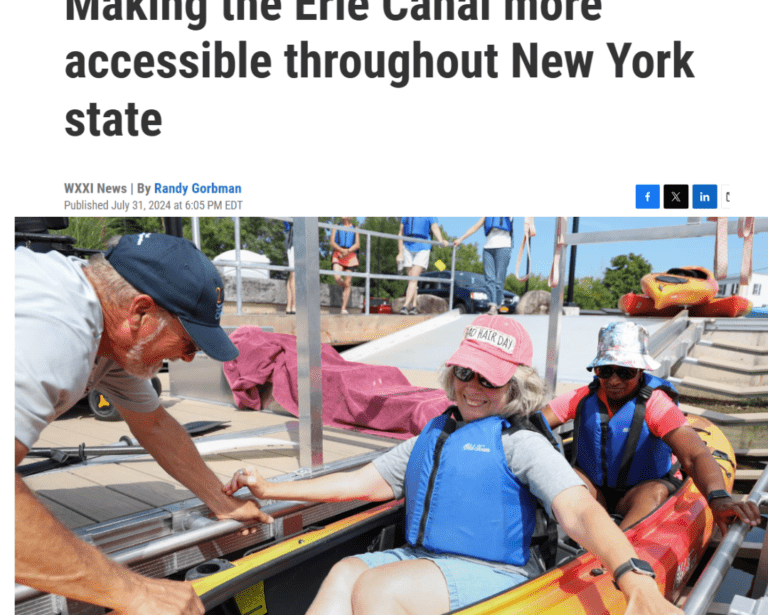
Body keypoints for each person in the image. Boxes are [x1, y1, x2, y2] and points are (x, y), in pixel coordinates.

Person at [224, 316, 686, 615]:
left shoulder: (520, 443)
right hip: (427, 558)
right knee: (347, 570)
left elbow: (580, 510)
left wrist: (632, 576)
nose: (474, 388)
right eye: (466, 373)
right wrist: (271, 489)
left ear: (515, 385)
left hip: (495, 569)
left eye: (491, 378)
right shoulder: (438, 432)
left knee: (379, 590)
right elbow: (363, 481)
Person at [15, 233, 272, 615]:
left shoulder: (108, 337)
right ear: (140, 313)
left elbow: (153, 424)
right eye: (189, 344)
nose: (187, 360)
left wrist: (221, 501)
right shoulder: (53, 332)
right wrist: (133, 592)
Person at [541, 321, 761, 534]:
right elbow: (534, 422)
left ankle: (620, 548)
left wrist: (719, 498)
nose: (614, 380)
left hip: (639, 492)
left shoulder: (656, 405)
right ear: (596, 370)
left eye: (625, 372)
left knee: (655, 492)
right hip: (595, 491)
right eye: (606, 370)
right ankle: (579, 537)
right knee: (566, 474)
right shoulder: (581, 398)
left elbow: (694, 455)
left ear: (640, 371)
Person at [454, 217, 513, 312]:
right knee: (489, 279)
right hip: (488, 249)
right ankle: (492, 306)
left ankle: (497, 305)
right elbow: (476, 226)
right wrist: (461, 238)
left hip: (503, 247)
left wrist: (530, 225)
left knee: (499, 280)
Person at [396, 217, 448, 315]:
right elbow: (400, 233)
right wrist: (400, 252)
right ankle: (414, 307)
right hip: (407, 247)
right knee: (411, 280)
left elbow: (435, 228)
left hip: (423, 247)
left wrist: (441, 240)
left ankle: (405, 306)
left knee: (413, 279)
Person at [330, 217, 360, 315]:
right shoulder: (336, 226)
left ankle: (343, 308)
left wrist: (347, 251)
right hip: (338, 254)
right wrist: (342, 251)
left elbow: (357, 244)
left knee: (348, 280)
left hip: (350, 255)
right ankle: (345, 286)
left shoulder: (355, 228)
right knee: (337, 277)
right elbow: (332, 242)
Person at [283, 220, 296, 314]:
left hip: (293, 242)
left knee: (292, 275)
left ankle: (289, 306)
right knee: (294, 274)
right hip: (293, 243)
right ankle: (294, 305)